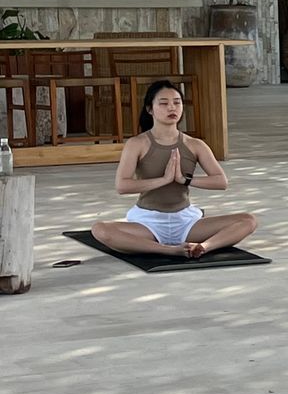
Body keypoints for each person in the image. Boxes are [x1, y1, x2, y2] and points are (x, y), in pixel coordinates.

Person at [89, 78, 257, 259]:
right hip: (148, 223)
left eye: (177, 103)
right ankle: (168, 250)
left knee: (248, 220)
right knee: (100, 229)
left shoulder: (195, 144)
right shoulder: (137, 143)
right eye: (164, 103)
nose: (172, 108)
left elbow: (221, 182)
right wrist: (163, 180)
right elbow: (122, 186)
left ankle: (202, 247)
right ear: (149, 109)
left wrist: (185, 180)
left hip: (186, 221)